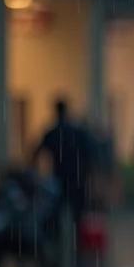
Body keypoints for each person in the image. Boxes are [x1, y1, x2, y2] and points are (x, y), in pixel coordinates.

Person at [31, 99, 96, 235]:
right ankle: (76, 243)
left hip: (59, 177)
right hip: (77, 177)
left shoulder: (53, 132)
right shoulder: (78, 132)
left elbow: (36, 152)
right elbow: (89, 154)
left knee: (56, 210)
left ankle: (56, 239)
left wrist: (34, 172)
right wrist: (89, 175)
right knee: (77, 212)